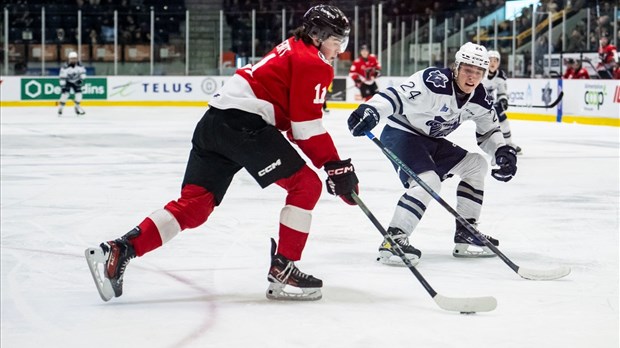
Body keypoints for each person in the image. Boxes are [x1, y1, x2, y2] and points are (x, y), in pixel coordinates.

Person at [85, 4, 358, 302]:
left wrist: (333, 165)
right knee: (306, 185)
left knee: (195, 206)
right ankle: (284, 266)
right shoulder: (313, 63)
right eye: (337, 41)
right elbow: (305, 127)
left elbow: (295, 126)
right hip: (243, 126)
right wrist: (335, 166)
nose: (339, 50)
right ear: (318, 36)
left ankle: (119, 249)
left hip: (213, 124)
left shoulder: (292, 48)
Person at [347, 42, 517, 265]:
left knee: (476, 164)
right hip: (402, 133)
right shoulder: (433, 81)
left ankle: (467, 231)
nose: (472, 77)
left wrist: (502, 152)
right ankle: (394, 239)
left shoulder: (479, 97)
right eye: (467, 70)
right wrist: (371, 110)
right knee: (428, 181)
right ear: (456, 67)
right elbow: (396, 96)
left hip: (431, 140)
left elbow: (490, 129)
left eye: (478, 72)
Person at [482, 50, 522, 155]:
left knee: (503, 120)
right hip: (476, 103)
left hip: (489, 103)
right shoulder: (480, 73)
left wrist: (503, 100)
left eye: (495, 60)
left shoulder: (500, 76)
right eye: (490, 60)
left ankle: (508, 143)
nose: (493, 63)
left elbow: (501, 92)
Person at [57, 51, 86, 116]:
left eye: (75, 58)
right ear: (69, 59)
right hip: (68, 81)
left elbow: (83, 74)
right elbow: (62, 77)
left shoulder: (80, 66)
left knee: (79, 95)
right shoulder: (65, 67)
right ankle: (60, 108)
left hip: (76, 81)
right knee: (65, 95)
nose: (74, 60)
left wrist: (81, 80)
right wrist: (63, 86)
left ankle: (76, 107)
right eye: (72, 58)